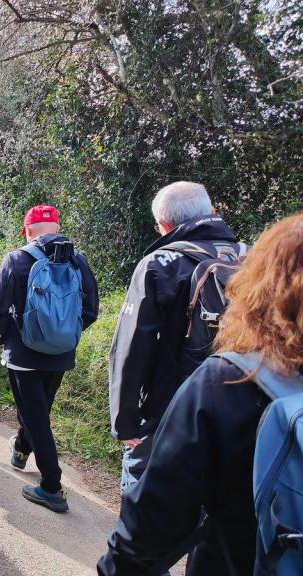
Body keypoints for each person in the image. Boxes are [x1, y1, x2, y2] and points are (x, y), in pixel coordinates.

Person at [99, 212, 303, 576]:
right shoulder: (238, 250)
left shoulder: (227, 380)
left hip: (169, 417)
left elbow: (132, 348)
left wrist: (125, 421)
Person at [109, 181, 245, 494]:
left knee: (143, 494)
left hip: (171, 406)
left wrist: (125, 422)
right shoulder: (258, 261)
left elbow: (132, 347)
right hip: (242, 407)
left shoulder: (160, 264)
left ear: (164, 226)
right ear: (212, 212)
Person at [0, 204, 99, 512]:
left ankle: (52, 486)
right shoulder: (77, 261)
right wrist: (65, 334)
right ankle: (22, 448)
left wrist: (11, 337)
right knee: (37, 412)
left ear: (27, 230)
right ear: (58, 227)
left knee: (36, 417)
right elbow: (91, 309)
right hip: (61, 353)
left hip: (24, 355)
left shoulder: (17, 259)